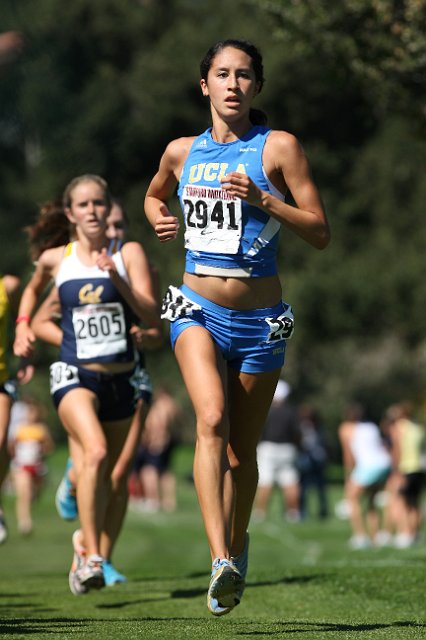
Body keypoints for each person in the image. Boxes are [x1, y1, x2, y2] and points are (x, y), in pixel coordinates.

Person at [144, 39, 330, 615]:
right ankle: (220, 557)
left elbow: (320, 231)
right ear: (205, 85)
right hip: (196, 307)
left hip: (262, 320)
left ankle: (238, 542)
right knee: (212, 419)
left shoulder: (279, 148)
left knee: (241, 455)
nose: (232, 84)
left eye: (243, 75)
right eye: (222, 74)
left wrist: (266, 200)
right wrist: (159, 217)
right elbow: (153, 195)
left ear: (256, 87)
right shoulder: (181, 152)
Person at [13, 174, 160, 594]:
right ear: (70, 213)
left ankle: (82, 546)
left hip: (120, 379)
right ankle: (95, 557)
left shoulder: (127, 252)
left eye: (99, 202)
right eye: (84, 205)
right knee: (93, 452)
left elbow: (151, 315)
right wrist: (24, 326)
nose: (93, 211)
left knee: (109, 471)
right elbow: (33, 291)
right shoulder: (57, 259)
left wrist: (117, 278)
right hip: (74, 374)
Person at [0, 273, 33, 543]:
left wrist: (24, 353)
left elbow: (24, 318)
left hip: (1, 379)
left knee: (0, 442)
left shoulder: (7, 285)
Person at [338, 402, 392, 549]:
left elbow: (348, 454)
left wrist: (348, 474)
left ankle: (360, 536)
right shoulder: (371, 427)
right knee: (371, 501)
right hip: (384, 464)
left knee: (352, 499)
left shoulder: (346, 428)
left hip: (368, 466)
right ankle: (375, 537)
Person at [254, 380, 302, 522]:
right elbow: (297, 433)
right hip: (288, 449)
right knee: (290, 481)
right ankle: (294, 513)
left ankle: (261, 512)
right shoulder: (292, 412)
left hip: (268, 448)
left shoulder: (266, 410)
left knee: (265, 481)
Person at [131, 385, 182, 513]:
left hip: (159, 441)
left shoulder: (161, 405)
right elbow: (179, 424)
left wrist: (156, 439)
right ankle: (170, 502)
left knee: (149, 470)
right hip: (172, 441)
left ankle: (153, 500)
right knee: (166, 471)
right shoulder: (174, 406)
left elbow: (160, 423)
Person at [9, 395, 54, 535]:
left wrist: (42, 449)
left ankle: (31, 505)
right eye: (29, 412)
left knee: (34, 493)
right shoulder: (19, 428)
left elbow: (49, 447)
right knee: (24, 493)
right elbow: (11, 446)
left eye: (33, 412)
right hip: (21, 465)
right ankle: (25, 522)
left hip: (37, 466)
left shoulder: (41, 429)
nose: (31, 415)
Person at [386, 402, 425, 548]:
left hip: (405, 468)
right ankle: (414, 533)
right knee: (415, 503)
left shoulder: (397, 428)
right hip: (420, 469)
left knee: (402, 503)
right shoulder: (418, 428)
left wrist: (396, 471)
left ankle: (406, 533)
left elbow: (397, 450)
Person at [298, 403, 328, 520]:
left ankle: (320, 510)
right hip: (309, 459)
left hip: (314, 459)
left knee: (315, 487)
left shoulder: (315, 428)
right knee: (307, 487)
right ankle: (304, 511)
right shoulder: (312, 427)